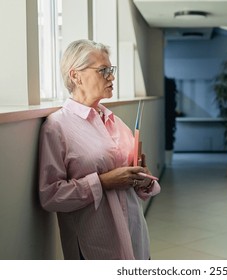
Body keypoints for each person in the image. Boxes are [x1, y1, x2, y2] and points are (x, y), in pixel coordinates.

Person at [39, 39, 160, 260]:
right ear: (75, 76)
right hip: (95, 247)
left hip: (134, 238)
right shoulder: (57, 127)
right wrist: (104, 182)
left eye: (111, 70)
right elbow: (51, 196)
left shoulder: (116, 122)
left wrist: (143, 179)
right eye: (103, 70)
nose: (112, 77)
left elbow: (137, 184)